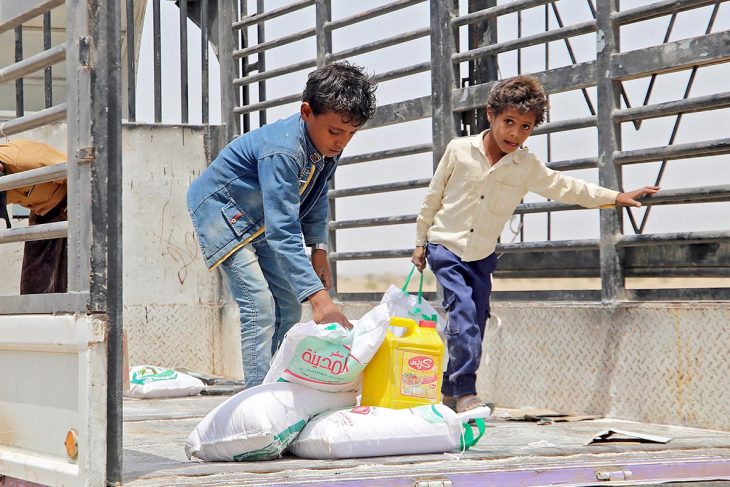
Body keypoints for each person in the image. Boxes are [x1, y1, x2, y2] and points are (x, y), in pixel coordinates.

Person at [411, 75, 659, 413]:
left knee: (478, 319)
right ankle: (467, 390)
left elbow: (566, 187)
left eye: (525, 127)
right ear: (491, 114)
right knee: (464, 314)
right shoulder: (459, 150)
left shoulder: (525, 166)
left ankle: (449, 390)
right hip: (446, 246)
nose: (515, 133)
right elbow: (433, 197)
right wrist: (419, 241)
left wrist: (615, 196)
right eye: (509, 122)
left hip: (481, 255)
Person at [187, 61, 377, 388]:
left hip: (262, 217)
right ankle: (257, 399)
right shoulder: (284, 151)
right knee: (259, 305)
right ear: (306, 112)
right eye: (335, 132)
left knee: (288, 306)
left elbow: (316, 195)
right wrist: (319, 299)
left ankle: (276, 385)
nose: (342, 142)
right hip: (223, 212)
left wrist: (318, 249)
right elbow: (283, 232)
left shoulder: (327, 145)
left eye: (350, 134)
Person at [0, 139, 68, 294]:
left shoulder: (27, 159)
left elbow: (78, 173)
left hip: (68, 204)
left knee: (65, 281)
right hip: (41, 211)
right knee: (32, 285)